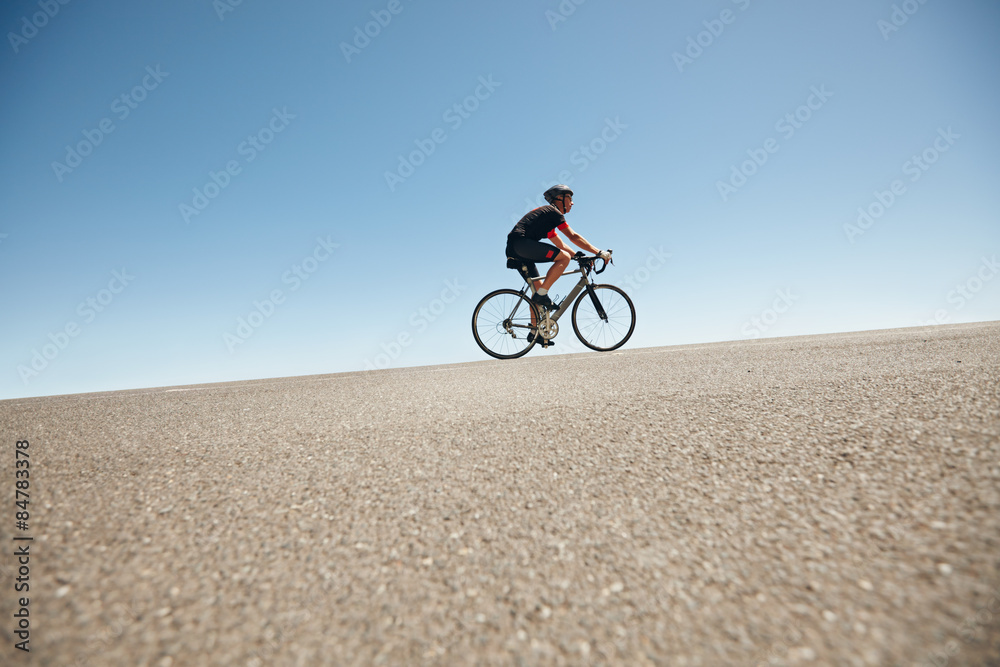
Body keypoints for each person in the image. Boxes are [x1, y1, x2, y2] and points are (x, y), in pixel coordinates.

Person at [506, 185, 610, 312]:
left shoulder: (546, 218)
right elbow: (573, 237)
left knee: (537, 293)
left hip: (517, 248)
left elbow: (561, 245)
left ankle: (534, 332)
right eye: (570, 198)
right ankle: (542, 295)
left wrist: (579, 258)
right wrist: (599, 252)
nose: (572, 203)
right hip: (522, 244)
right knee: (564, 258)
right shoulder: (553, 212)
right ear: (560, 198)